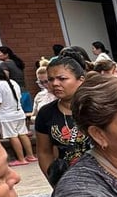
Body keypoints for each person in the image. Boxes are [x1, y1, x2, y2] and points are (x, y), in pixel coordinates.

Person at [35, 56, 90, 186]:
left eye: (62, 79)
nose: (55, 84)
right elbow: (44, 152)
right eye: (51, 79)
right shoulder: (46, 113)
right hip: (68, 181)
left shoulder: (97, 107)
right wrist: (55, 182)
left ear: (81, 80)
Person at [0, 65, 35, 166]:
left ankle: (21, 159)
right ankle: (30, 155)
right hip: (18, 113)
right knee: (23, 134)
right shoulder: (13, 82)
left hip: (6, 115)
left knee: (13, 136)